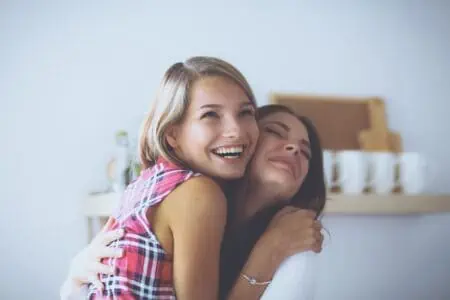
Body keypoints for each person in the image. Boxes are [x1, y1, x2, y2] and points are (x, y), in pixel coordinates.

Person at [61, 77, 326, 299]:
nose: (294, 148)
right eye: (276, 132)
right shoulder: (189, 201)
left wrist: (273, 249)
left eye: (305, 152)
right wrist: (76, 276)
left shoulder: (297, 248)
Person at [69, 56, 261, 299]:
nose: (236, 129)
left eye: (245, 112)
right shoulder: (198, 192)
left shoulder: (149, 182)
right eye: (211, 115)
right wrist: (268, 254)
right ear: (173, 135)